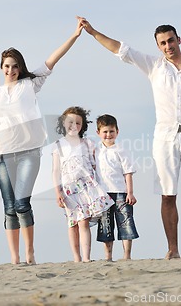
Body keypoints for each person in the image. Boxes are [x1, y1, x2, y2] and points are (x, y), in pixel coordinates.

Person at [79, 16, 181, 259]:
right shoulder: (154, 66)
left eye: (171, 41)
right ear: (158, 46)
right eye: (163, 43)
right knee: (168, 195)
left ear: (179, 40)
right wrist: (93, 32)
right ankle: (173, 249)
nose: (168, 46)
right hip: (164, 139)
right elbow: (121, 50)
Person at [0, 19, 84, 265]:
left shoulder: (30, 84)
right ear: (1, 67)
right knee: (9, 207)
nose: (11, 70)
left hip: (29, 152)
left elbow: (53, 59)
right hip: (3, 155)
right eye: (7, 66)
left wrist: (74, 35)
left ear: (20, 68)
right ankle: (15, 258)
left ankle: (30, 253)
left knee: (21, 203)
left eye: (15, 66)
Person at [52, 106, 114, 262]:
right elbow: (55, 171)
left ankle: (86, 257)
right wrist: (57, 192)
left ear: (83, 125)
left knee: (84, 222)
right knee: (72, 224)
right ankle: (76, 257)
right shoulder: (58, 145)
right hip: (68, 190)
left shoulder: (87, 143)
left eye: (78, 123)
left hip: (87, 187)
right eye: (70, 122)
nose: (74, 126)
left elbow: (96, 165)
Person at [95, 114, 139, 261]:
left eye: (111, 131)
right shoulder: (96, 151)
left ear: (117, 132)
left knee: (125, 222)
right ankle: (108, 256)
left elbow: (128, 172)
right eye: (105, 132)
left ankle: (127, 255)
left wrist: (130, 193)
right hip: (103, 194)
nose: (108, 135)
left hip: (121, 192)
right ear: (98, 133)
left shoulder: (121, 150)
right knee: (106, 225)